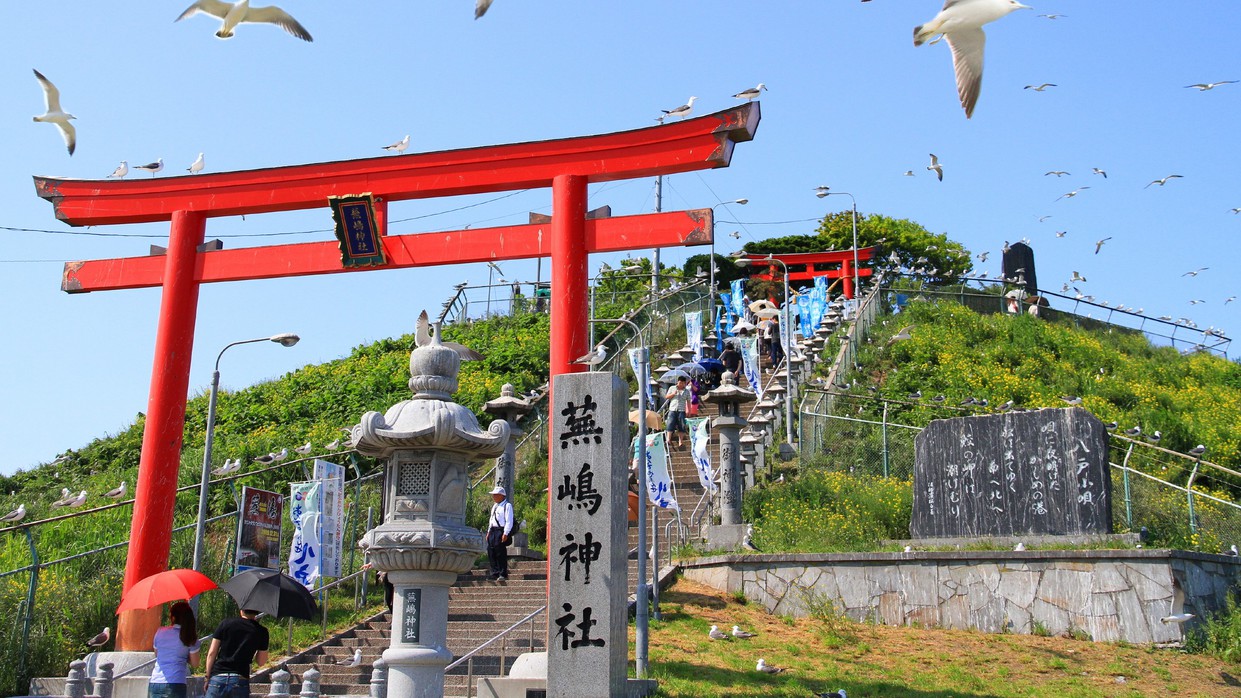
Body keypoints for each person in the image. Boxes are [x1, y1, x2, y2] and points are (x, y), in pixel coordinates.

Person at [203, 606, 269, 698]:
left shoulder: (225, 623)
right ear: (257, 612)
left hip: (218, 676)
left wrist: (207, 677)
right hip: (240, 678)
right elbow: (261, 662)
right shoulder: (262, 631)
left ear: (241, 610)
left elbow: (212, 652)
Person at [148, 601, 200, 698]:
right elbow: (195, 663)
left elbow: (157, 655)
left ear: (173, 617)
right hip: (176, 683)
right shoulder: (190, 637)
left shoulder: (160, 632)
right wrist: (185, 657)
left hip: (155, 682)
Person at [487, 486, 514, 581]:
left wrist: (506, 533)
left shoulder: (507, 506)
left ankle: (502, 573)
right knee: (491, 551)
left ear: (501, 496)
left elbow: (509, 520)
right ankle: (494, 573)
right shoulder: (495, 506)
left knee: (500, 552)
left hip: (500, 530)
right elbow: (491, 519)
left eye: (495, 495)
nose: (494, 497)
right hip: (493, 530)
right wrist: (488, 531)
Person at [664, 376, 691, 448]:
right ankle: (668, 440)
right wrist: (673, 394)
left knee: (681, 426)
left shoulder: (686, 391)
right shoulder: (672, 388)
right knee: (670, 424)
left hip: (682, 410)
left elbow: (688, 401)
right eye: (680, 383)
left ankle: (680, 442)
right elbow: (666, 397)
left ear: (685, 383)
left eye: (683, 383)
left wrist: (689, 410)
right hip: (672, 409)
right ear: (677, 382)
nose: (681, 384)